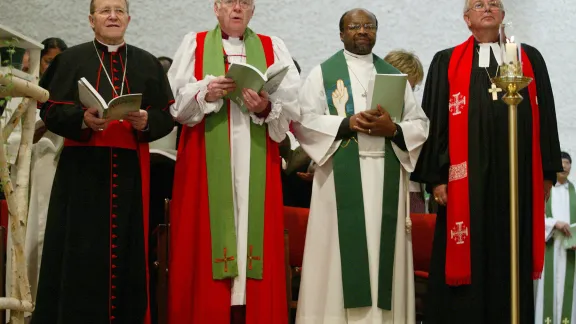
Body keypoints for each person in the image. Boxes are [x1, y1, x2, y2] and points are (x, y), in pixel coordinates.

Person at [410, 0, 562, 323]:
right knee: (469, 256)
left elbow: (545, 116)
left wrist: (547, 172)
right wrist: (437, 177)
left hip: (517, 179)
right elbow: (435, 120)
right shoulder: (446, 62)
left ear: (504, 15)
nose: (488, 8)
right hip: (464, 184)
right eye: (479, 4)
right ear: (467, 19)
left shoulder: (528, 59)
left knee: (510, 256)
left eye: (494, 3)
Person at [31, 0, 175, 322]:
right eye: (105, 10)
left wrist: (146, 121)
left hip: (129, 173)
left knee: (126, 253)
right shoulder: (70, 59)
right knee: (77, 252)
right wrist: (82, 119)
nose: (113, 16)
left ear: (128, 19)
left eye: (119, 11)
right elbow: (49, 109)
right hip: (80, 172)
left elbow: (167, 114)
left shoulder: (147, 62)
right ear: (91, 20)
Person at [167, 0, 300, 323]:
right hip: (205, 160)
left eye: (245, 3)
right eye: (230, 2)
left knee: (251, 233)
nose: (237, 8)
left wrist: (266, 108)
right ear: (216, 8)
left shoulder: (272, 47)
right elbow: (175, 106)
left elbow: (293, 108)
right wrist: (206, 93)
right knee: (208, 233)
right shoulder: (194, 44)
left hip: (256, 158)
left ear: (252, 10)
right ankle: (205, 311)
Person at [294, 8, 429, 323]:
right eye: (354, 26)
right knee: (338, 260)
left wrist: (392, 130)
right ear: (341, 34)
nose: (362, 31)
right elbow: (303, 122)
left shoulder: (394, 77)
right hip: (337, 184)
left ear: (376, 32)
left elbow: (420, 125)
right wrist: (347, 122)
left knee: (383, 259)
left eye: (369, 26)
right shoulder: (322, 74)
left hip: (386, 179)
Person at [24, 36, 68, 306]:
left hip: (55, 166)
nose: (52, 67)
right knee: (31, 236)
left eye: (57, 62)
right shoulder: (26, 90)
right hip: (30, 168)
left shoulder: (64, 92)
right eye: (48, 61)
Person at [535, 152, 576, 324]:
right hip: (550, 246)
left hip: (570, 250)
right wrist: (554, 224)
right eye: (562, 163)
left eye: (568, 163)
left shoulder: (574, 192)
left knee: (568, 292)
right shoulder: (545, 191)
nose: (565, 166)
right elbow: (536, 217)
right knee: (549, 291)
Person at [384, 49, 426, 213]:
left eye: (413, 88)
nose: (409, 94)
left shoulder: (415, 113)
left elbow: (420, 133)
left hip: (410, 187)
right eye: (407, 87)